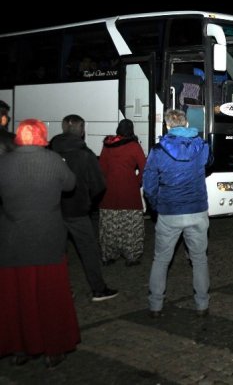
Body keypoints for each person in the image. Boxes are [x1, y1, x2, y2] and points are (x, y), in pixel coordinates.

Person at [0, 119, 79, 368]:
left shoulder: (4, 163)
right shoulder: (52, 160)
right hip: (47, 236)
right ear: (42, 136)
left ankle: (19, 347)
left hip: (13, 238)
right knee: (50, 295)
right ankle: (52, 349)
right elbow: (70, 185)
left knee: (16, 296)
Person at [144, 109, 212, 317]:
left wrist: (157, 205)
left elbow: (149, 185)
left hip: (170, 210)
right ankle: (202, 304)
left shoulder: (158, 150)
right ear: (186, 123)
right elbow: (208, 165)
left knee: (161, 259)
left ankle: (156, 305)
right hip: (197, 210)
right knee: (199, 259)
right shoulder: (203, 146)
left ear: (167, 126)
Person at [50, 114, 118, 302]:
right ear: (81, 130)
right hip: (78, 209)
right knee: (88, 250)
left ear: (63, 128)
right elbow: (99, 185)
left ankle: (61, 290)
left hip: (54, 209)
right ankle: (98, 289)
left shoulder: (50, 150)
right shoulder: (85, 154)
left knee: (57, 252)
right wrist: (89, 202)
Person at [98, 119, 147, 266]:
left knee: (109, 224)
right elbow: (145, 168)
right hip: (129, 191)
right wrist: (136, 181)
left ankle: (109, 255)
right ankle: (131, 256)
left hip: (109, 192)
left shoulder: (108, 146)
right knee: (131, 225)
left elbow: (102, 169)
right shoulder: (134, 146)